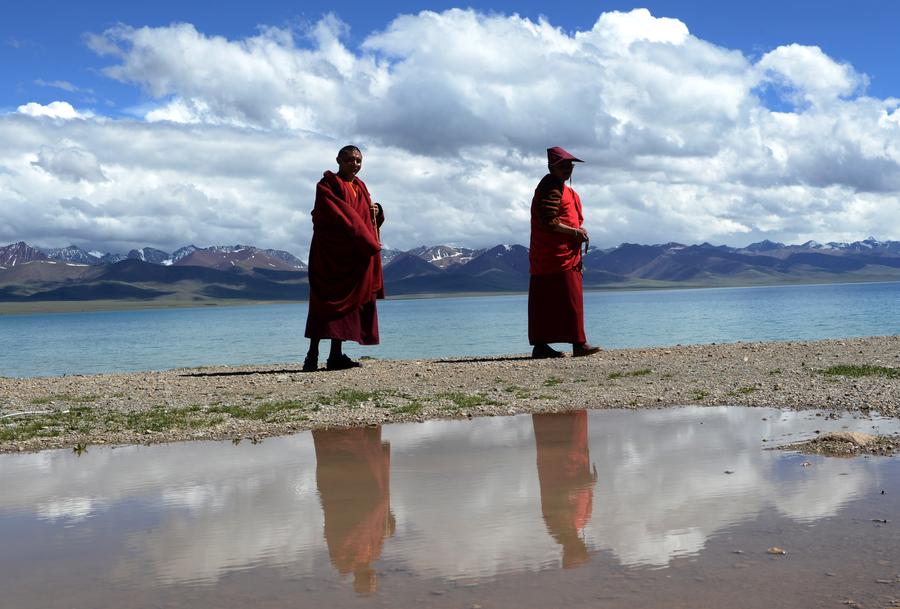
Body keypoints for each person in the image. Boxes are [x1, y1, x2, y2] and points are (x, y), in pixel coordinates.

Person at [303, 145, 385, 371]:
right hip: (330, 255)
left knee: (348, 306)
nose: (355, 165)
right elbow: (341, 215)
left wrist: (376, 210)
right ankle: (312, 356)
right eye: (350, 160)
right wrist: (367, 241)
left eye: (359, 161)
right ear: (339, 160)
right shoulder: (326, 185)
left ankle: (335, 356)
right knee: (324, 303)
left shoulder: (360, 186)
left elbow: (361, 215)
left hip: (352, 256)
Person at [528, 146, 601, 358]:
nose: (568, 168)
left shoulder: (563, 188)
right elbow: (548, 221)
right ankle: (578, 344)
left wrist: (578, 231)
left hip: (559, 255)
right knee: (570, 300)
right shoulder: (551, 186)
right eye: (563, 165)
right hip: (553, 255)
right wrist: (574, 232)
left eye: (570, 165)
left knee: (548, 302)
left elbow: (564, 219)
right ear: (552, 167)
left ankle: (542, 346)